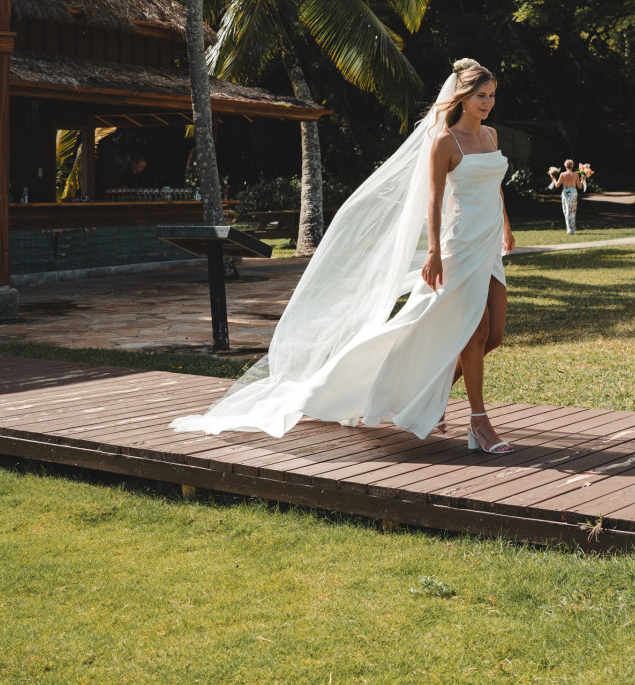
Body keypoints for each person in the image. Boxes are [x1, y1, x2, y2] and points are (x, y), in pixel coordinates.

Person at [171, 58, 516, 453]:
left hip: (488, 242)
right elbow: (434, 201)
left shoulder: (490, 135)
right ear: (462, 97)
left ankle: (427, 400)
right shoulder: (445, 142)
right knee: (475, 329)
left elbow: (495, 186)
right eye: (480, 95)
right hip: (460, 245)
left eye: (492, 96)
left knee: (493, 335)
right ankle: (479, 423)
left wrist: (506, 226)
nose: (487, 103)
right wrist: (434, 252)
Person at [549, 159, 582, 234]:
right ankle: (572, 229)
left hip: (565, 193)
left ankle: (569, 229)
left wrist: (553, 177)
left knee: (566, 210)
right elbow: (580, 186)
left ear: (565, 166)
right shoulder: (576, 175)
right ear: (572, 166)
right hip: (573, 193)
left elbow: (557, 185)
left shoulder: (563, 174)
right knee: (573, 211)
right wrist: (583, 178)